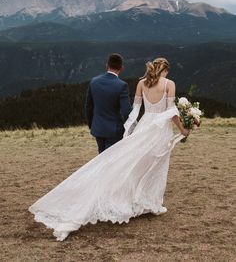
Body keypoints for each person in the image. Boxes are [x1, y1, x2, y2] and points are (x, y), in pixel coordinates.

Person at [29, 57, 189, 241]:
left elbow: (135, 111)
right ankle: (151, 203)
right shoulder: (170, 84)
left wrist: (129, 132)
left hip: (144, 127)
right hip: (159, 130)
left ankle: (146, 201)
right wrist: (183, 129)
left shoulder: (141, 84)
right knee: (156, 165)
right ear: (165, 70)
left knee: (137, 166)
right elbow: (172, 112)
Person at [85, 53, 132, 153]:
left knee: (101, 158)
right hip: (114, 130)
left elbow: (88, 107)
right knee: (112, 161)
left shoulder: (94, 82)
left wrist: (92, 125)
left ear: (107, 65)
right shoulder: (122, 85)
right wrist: (130, 128)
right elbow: (126, 111)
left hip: (98, 128)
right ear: (122, 68)